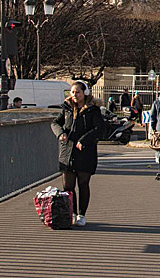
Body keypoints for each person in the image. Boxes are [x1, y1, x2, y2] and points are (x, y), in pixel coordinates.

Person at [51, 81, 104, 226]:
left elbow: (99, 129)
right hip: (67, 151)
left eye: (77, 92)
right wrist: (60, 133)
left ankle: (82, 214)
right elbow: (55, 123)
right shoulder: (66, 108)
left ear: (85, 93)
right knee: (68, 186)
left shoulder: (93, 110)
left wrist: (84, 140)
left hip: (85, 152)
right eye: (72, 92)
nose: (74, 95)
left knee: (83, 184)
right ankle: (71, 213)